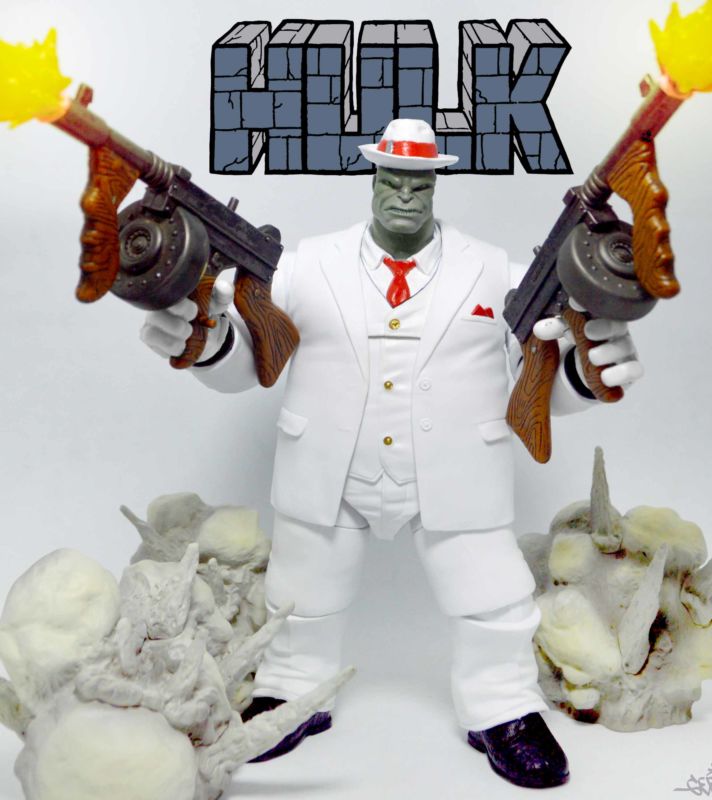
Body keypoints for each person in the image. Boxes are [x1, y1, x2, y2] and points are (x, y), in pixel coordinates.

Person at [141, 119, 642, 788]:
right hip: (328, 464)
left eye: (418, 183)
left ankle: (501, 705)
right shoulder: (306, 265)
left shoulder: (493, 271)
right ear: (373, 178)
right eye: (392, 180)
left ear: (435, 185)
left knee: (492, 597)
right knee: (301, 592)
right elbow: (249, 360)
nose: (404, 195)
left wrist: (588, 371)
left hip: (457, 471)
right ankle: (291, 688)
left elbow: (539, 380)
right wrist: (201, 342)